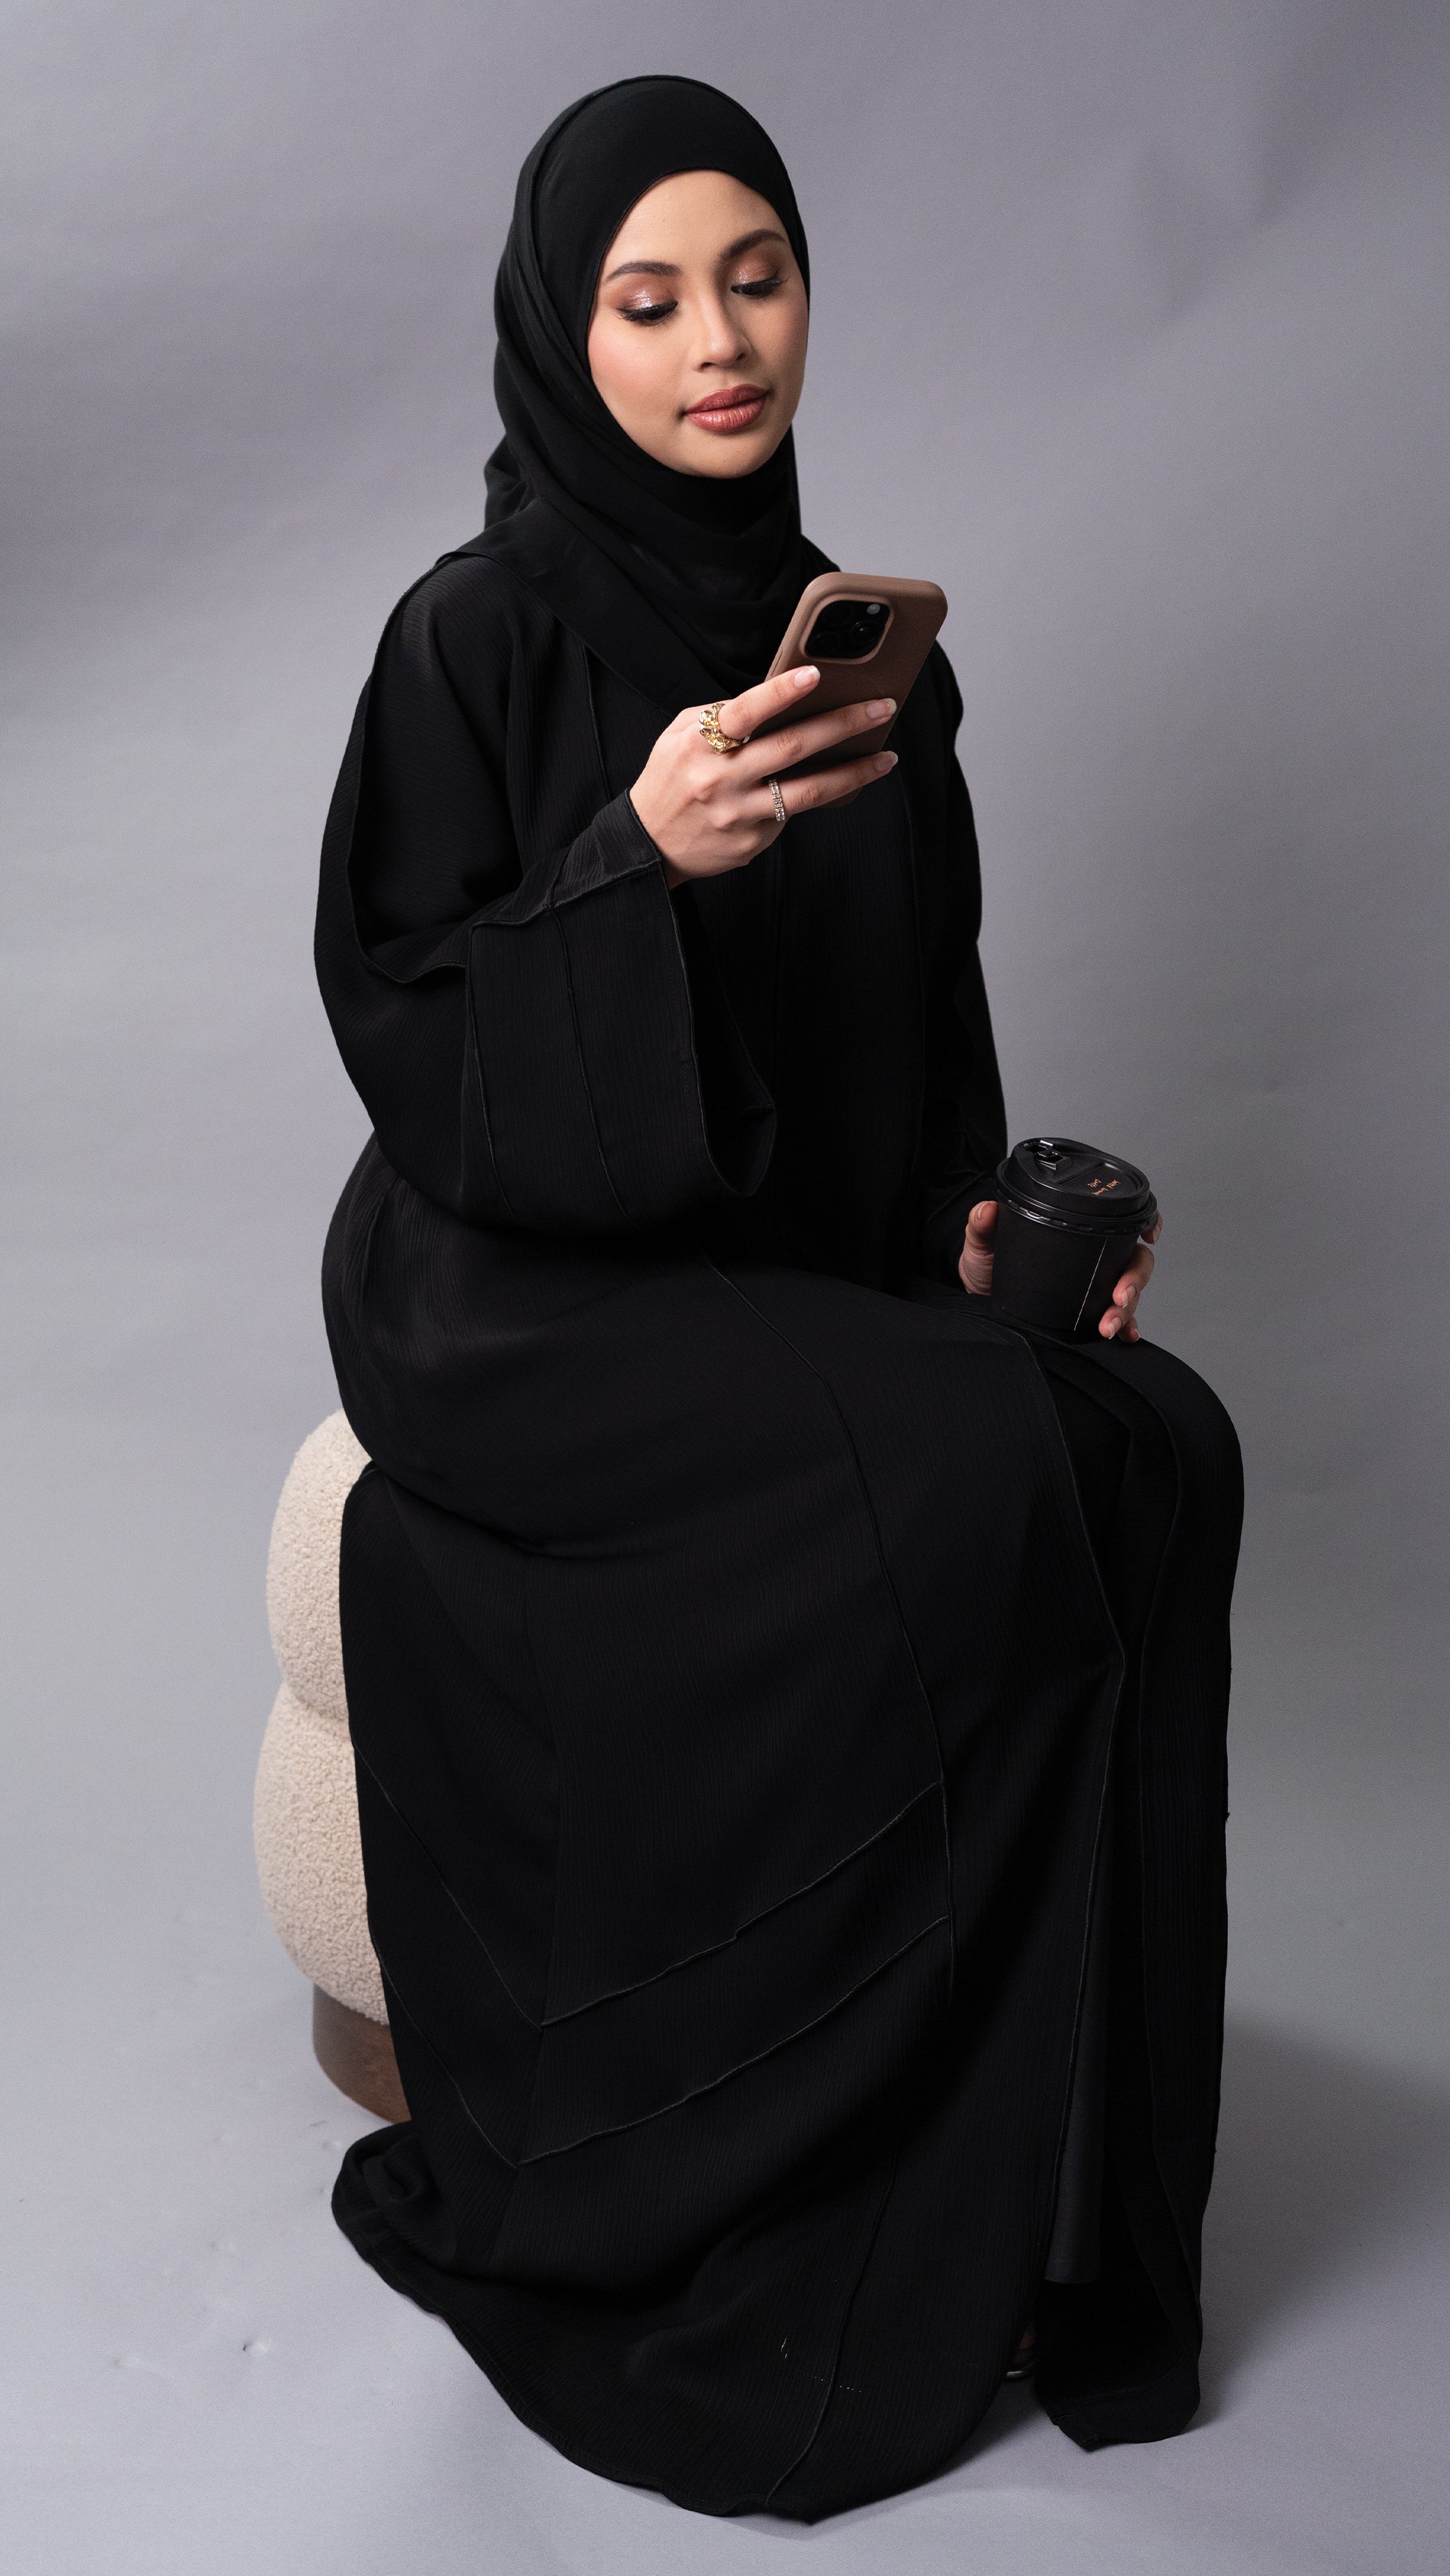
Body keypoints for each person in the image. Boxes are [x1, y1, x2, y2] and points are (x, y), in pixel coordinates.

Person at [314, 75, 1243, 2522]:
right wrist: (635, 859)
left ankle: (1048, 2209)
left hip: (757, 1266)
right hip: (499, 1282)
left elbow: (910, 1045)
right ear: (564, 332)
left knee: (1157, 1444)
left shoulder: (872, 668)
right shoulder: (476, 633)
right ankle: (771, 2187)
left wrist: (966, 1235)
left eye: (757, 278)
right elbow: (407, 1032)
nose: (717, 342)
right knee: (962, 1466)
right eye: (648, 300)